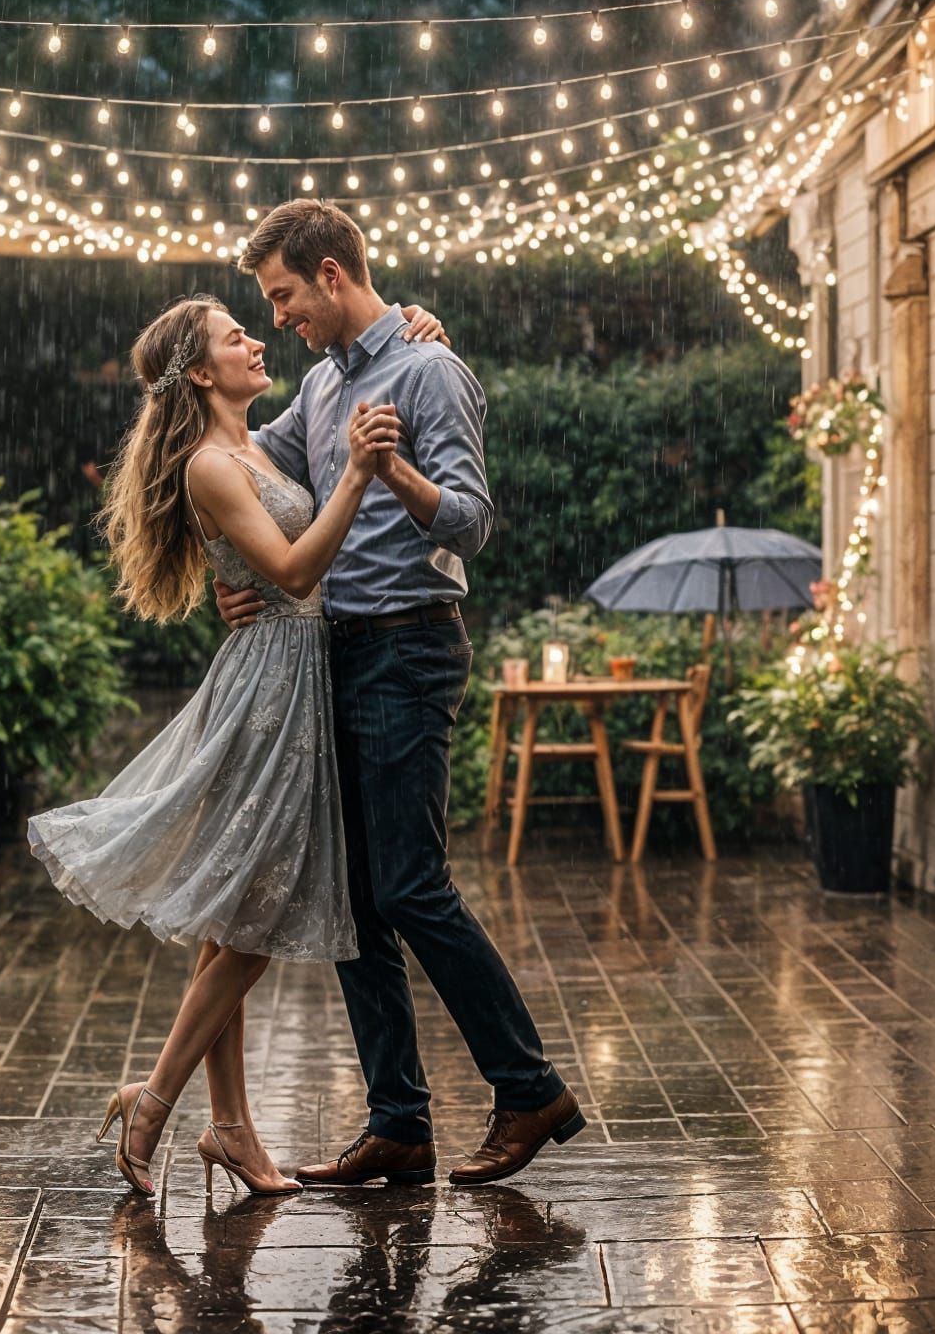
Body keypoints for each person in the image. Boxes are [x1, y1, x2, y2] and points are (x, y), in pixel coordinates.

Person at [27, 290, 443, 1199]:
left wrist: (413, 322)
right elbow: (293, 570)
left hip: (296, 675)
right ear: (204, 373)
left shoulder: (256, 442)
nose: (257, 340)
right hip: (268, 692)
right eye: (235, 336)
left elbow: (352, 373)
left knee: (233, 922)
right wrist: (357, 477)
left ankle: (231, 1130)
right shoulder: (213, 464)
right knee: (251, 925)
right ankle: (155, 1106)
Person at [221, 199, 584, 1188]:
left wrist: (396, 473)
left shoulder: (430, 371)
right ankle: (399, 1124)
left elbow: (468, 522)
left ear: (333, 274)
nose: (282, 317)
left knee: (411, 886)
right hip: (334, 651)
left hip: (408, 646)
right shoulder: (327, 383)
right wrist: (233, 558)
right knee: (352, 898)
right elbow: (260, 471)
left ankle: (530, 1088)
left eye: (287, 296)